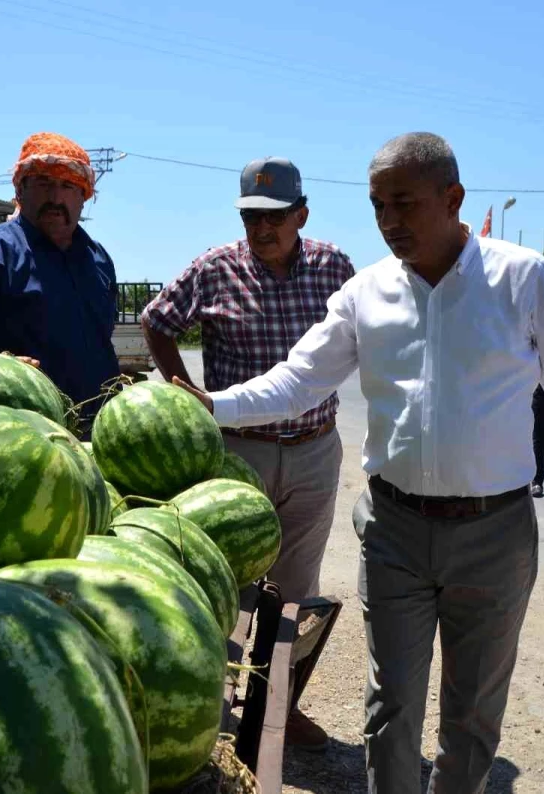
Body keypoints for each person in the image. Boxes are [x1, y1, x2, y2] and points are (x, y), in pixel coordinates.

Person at [172, 132, 544, 794]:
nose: (389, 222)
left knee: (472, 718)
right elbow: (297, 383)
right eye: (378, 205)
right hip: (394, 531)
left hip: (495, 534)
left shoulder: (522, 278)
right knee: (392, 709)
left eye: (403, 203)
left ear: (453, 198)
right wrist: (209, 407)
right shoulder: (364, 293)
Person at [140, 156, 354, 748]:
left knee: (292, 591)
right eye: (251, 218)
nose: (262, 230)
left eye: (275, 218)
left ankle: (274, 711)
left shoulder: (335, 266)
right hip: (239, 453)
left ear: (302, 214)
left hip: (314, 451)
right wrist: (182, 388)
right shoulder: (214, 268)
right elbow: (156, 320)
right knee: (223, 582)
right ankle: (214, 707)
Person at [0, 132, 120, 431]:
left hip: (101, 431)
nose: (55, 198)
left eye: (68, 186)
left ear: (84, 196)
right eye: (44, 184)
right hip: (18, 432)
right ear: (21, 190)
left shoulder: (98, 259)